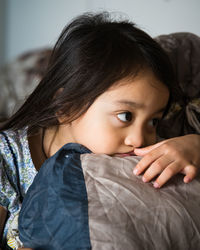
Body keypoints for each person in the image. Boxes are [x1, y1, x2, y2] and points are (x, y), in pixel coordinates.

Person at [0, 12, 200, 249]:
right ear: (67, 106)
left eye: (153, 121)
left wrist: (195, 145)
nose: (139, 139)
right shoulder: (7, 158)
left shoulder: (146, 153)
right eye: (125, 116)